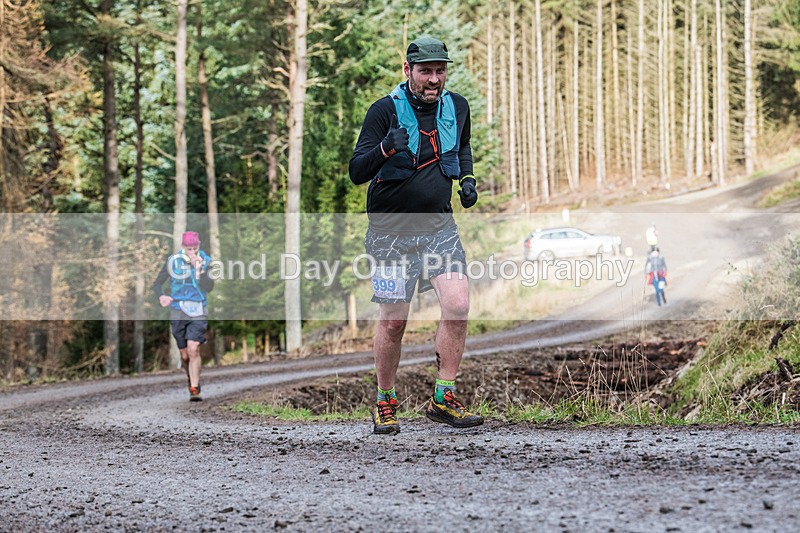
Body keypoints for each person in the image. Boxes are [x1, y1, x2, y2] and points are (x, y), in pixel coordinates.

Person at [349, 36, 483, 434]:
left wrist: (468, 179)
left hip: (439, 228)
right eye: (426, 71)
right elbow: (357, 171)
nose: (434, 79)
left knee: (458, 305)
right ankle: (385, 400)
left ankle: (443, 397)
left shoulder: (457, 107)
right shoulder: (383, 111)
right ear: (408, 70)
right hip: (390, 235)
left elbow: (463, 146)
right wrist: (385, 149)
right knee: (394, 322)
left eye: (440, 71)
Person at [152, 231, 214, 401]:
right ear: (183, 247)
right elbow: (157, 284)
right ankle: (191, 379)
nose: (192, 252)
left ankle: (195, 388)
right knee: (185, 355)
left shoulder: (207, 261)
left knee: (194, 348)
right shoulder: (172, 261)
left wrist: (200, 270)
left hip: (198, 309)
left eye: (195, 248)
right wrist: (162, 296)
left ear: (199, 246)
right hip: (178, 309)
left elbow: (209, 287)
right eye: (189, 249)